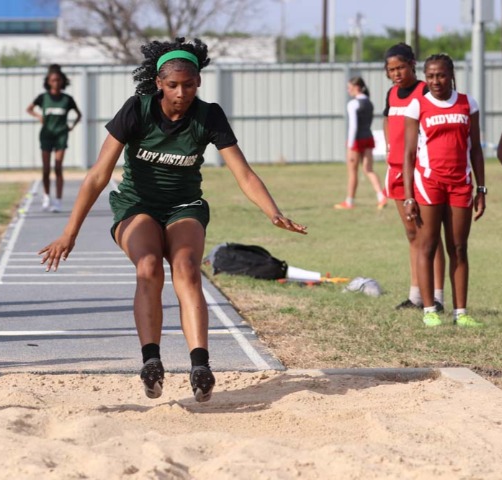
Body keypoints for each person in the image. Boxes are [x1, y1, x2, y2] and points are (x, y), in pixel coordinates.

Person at [38, 38, 307, 402]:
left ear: (199, 82)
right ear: (159, 83)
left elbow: (243, 173)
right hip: (136, 205)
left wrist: (273, 211)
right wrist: (70, 233)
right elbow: (98, 175)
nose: (182, 93)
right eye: (174, 85)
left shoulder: (209, 115)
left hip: (184, 206)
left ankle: (200, 365)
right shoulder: (137, 110)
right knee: (149, 265)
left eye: (190, 85)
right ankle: (152, 362)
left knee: (186, 267)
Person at [403, 53, 486, 327]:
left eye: (440, 75)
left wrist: (481, 188)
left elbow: (476, 149)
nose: (435, 81)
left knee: (459, 248)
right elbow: (408, 154)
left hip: (460, 184)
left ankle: (461, 313)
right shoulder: (418, 105)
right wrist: (408, 196)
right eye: (430, 76)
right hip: (429, 184)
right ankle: (429, 310)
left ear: (451, 75)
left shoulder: (467, 103)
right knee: (427, 246)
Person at [383, 43, 445, 312]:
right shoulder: (391, 94)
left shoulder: (425, 91)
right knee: (412, 233)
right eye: (391, 70)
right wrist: (389, 145)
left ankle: (438, 296)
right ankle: (416, 295)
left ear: (412, 64)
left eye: (401, 67)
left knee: (429, 235)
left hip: (420, 170)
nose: (396, 74)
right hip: (396, 170)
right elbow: (387, 119)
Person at [26, 65, 82, 212]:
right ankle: (46, 197)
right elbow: (29, 109)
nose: (56, 83)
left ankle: (58, 201)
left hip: (61, 135)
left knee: (58, 167)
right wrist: (39, 116)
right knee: (46, 169)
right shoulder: (42, 98)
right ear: (48, 82)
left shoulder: (67, 99)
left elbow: (79, 115)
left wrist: (71, 126)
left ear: (62, 81)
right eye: (53, 80)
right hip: (46, 134)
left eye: (58, 80)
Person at [335, 77, 387, 210]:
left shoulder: (353, 104)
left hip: (356, 140)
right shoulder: (369, 102)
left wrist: (350, 144)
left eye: (349, 88)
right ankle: (381, 197)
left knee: (352, 171)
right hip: (368, 137)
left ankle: (349, 201)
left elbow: (353, 126)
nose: (348, 91)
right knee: (368, 169)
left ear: (357, 87)